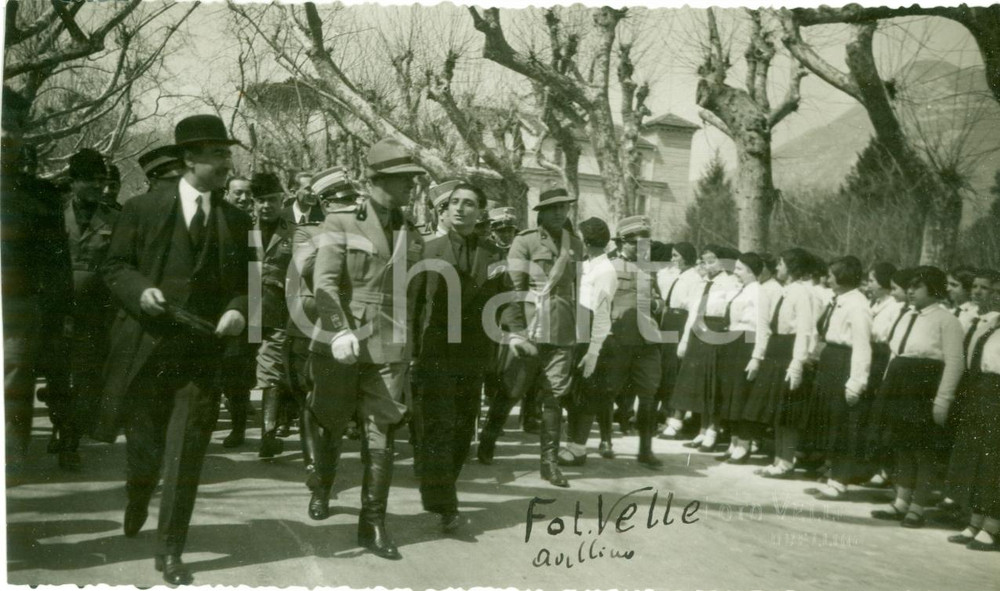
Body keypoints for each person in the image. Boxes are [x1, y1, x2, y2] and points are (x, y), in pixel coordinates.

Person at [93, 114, 251, 585]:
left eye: (227, 153)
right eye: (219, 154)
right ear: (189, 159)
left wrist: (239, 310)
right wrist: (140, 290)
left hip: (202, 354)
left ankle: (171, 550)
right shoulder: (143, 209)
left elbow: (248, 284)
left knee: (186, 453)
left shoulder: (237, 220)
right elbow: (114, 265)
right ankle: (138, 493)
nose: (228, 162)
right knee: (145, 450)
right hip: (147, 351)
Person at [309, 138, 426, 559]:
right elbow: (323, 284)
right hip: (345, 340)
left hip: (392, 343)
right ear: (378, 180)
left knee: (382, 429)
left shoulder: (412, 230)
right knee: (330, 423)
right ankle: (322, 486)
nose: (413, 185)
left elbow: (413, 294)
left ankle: (372, 522)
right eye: (405, 179)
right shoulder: (340, 222)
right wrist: (339, 329)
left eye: (414, 179)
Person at [412, 180, 507, 532]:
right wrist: (408, 350)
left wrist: (517, 333)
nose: (460, 208)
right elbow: (414, 304)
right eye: (454, 202)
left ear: (480, 211)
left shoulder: (495, 254)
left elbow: (504, 299)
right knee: (439, 424)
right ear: (445, 208)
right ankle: (444, 502)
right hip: (435, 351)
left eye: (469, 203)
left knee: (464, 428)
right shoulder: (427, 248)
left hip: (475, 354)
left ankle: (441, 487)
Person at [477, 187, 583, 488]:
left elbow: (578, 290)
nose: (560, 213)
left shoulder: (574, 244)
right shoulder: (525, 241)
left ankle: (549, 464)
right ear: (541, 213)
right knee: (511, 389)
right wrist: (517, 332)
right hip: (530, 328)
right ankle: (488, 441)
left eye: (564, 208)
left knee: (555, 395)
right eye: (553, 209)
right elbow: (513, 289)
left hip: (562, 331)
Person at [2, 85, 73, 480]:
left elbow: (57, 265)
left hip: (17, 309)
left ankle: (10, 459)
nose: (4, 136)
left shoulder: (41, 196)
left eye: (11, 127)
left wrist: (59, 316)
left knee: (14, 383)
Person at [290, 167, 364, 521]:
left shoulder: (372, 231)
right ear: (324, 204)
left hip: (372, 332)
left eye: (352, 201)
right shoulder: (309, 231)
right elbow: (308, 270)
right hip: (327, 327)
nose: (349, 209)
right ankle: (321, 489)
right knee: (328, 416)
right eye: (341, 204)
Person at [870, 266, 964, 527]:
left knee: (923, 450)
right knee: (902, 445)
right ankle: (901, 500)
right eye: (908, 286)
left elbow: (955, 362)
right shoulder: (906, 315)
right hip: (900, 385)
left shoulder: (947, 321)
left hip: (924, 387)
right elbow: (895, 352)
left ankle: (918, 506)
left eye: (917, 287)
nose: (910, 291)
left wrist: (943, 399)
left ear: (933, 289)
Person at [56, 148, 122, 468]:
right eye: (91, 181)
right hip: (57, 309)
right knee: (57, 374)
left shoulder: (114, 218)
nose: (99, 187)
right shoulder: (55, 215)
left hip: (96, 312)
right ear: (73, 182)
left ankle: (71, 439)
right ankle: (59, 424)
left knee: (85, 377)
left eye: (102, 181)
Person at [807, 256, 873, 500]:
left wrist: (856, 381)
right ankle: (830, 474)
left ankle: (840, 480)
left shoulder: (858, 305)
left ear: (843, 277)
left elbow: (862, 345)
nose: (827, 279)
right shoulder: (838, 301)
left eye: (832, 275)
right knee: (829, 420)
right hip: (831, 360)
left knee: (843, 423)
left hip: (845, 363)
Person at [748, 248, 817, 478]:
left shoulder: (802, 293)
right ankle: (778, 458)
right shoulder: (784, 291)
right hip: (776, 349)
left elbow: (805, 330)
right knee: (777, 409)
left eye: (781, 264)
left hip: (789, 350)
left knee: (787, 411)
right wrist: (759, 355)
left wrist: (797, 362)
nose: (777, 267)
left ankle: (787, 461)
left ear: (792, 267)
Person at [947, 277, 1000, 550]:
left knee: (994, 461)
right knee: (978, 457)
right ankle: (975, 520)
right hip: (981, 390)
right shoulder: (991, 323)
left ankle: (993, 526)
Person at [672, 244, 741, 452]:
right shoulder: (701, 283)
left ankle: (713, 430)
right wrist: (685, 340)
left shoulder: (731, 283)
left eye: (712, 260)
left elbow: (731, 311)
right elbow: (693, 312)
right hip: (698, 331)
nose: (707, 265)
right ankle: (702, 430)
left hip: (717, 331)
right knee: (701, 384)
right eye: (704, 260)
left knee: (714, 384)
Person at [559, 217, 616, 465]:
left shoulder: (605, 271)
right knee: (574, 395)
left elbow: (603, 314)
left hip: (593, 336)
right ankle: (572, 444)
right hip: (578, 330)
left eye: (579, 238)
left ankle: (578, 449)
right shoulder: (587, 265)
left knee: (586, 394)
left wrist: (594, 350)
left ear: (588, 241)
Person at [248, 172, 296, 458]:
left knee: (271, 372)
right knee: (236, 371)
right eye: (260, 201)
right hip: (244, 310)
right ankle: (239, 427)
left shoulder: (296, 232)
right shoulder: (240, 226)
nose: (266, 206)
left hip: (277, 312)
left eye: (271, 200)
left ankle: (268, 434)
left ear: (282, 199)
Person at [716, 252, 770, 464]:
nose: (735, 272)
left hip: (747, 343)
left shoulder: (758, 292)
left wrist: (757, 357)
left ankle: (744, 445)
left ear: (750, 271)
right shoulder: (742, 290)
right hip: (734, 341)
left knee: (742, 395)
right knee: (731, 395)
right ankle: (734, 441)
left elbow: (763, 327)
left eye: (739, 269)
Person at [657, 241, 699, 439]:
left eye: (676, 256)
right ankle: (665, 413)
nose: (673, 260)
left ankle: (674, 419)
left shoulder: (694, 278)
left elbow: (692, 308)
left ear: (686, 257)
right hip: (669, 320)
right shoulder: (677, 276)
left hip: (681, 321)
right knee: (666, 368)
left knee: (675, 369)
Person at [948, 265, 979, 332]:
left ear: (968, 288)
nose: (948, 289)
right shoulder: (950, 311)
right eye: (947, 284)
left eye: (954, 285)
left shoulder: (975, 315)